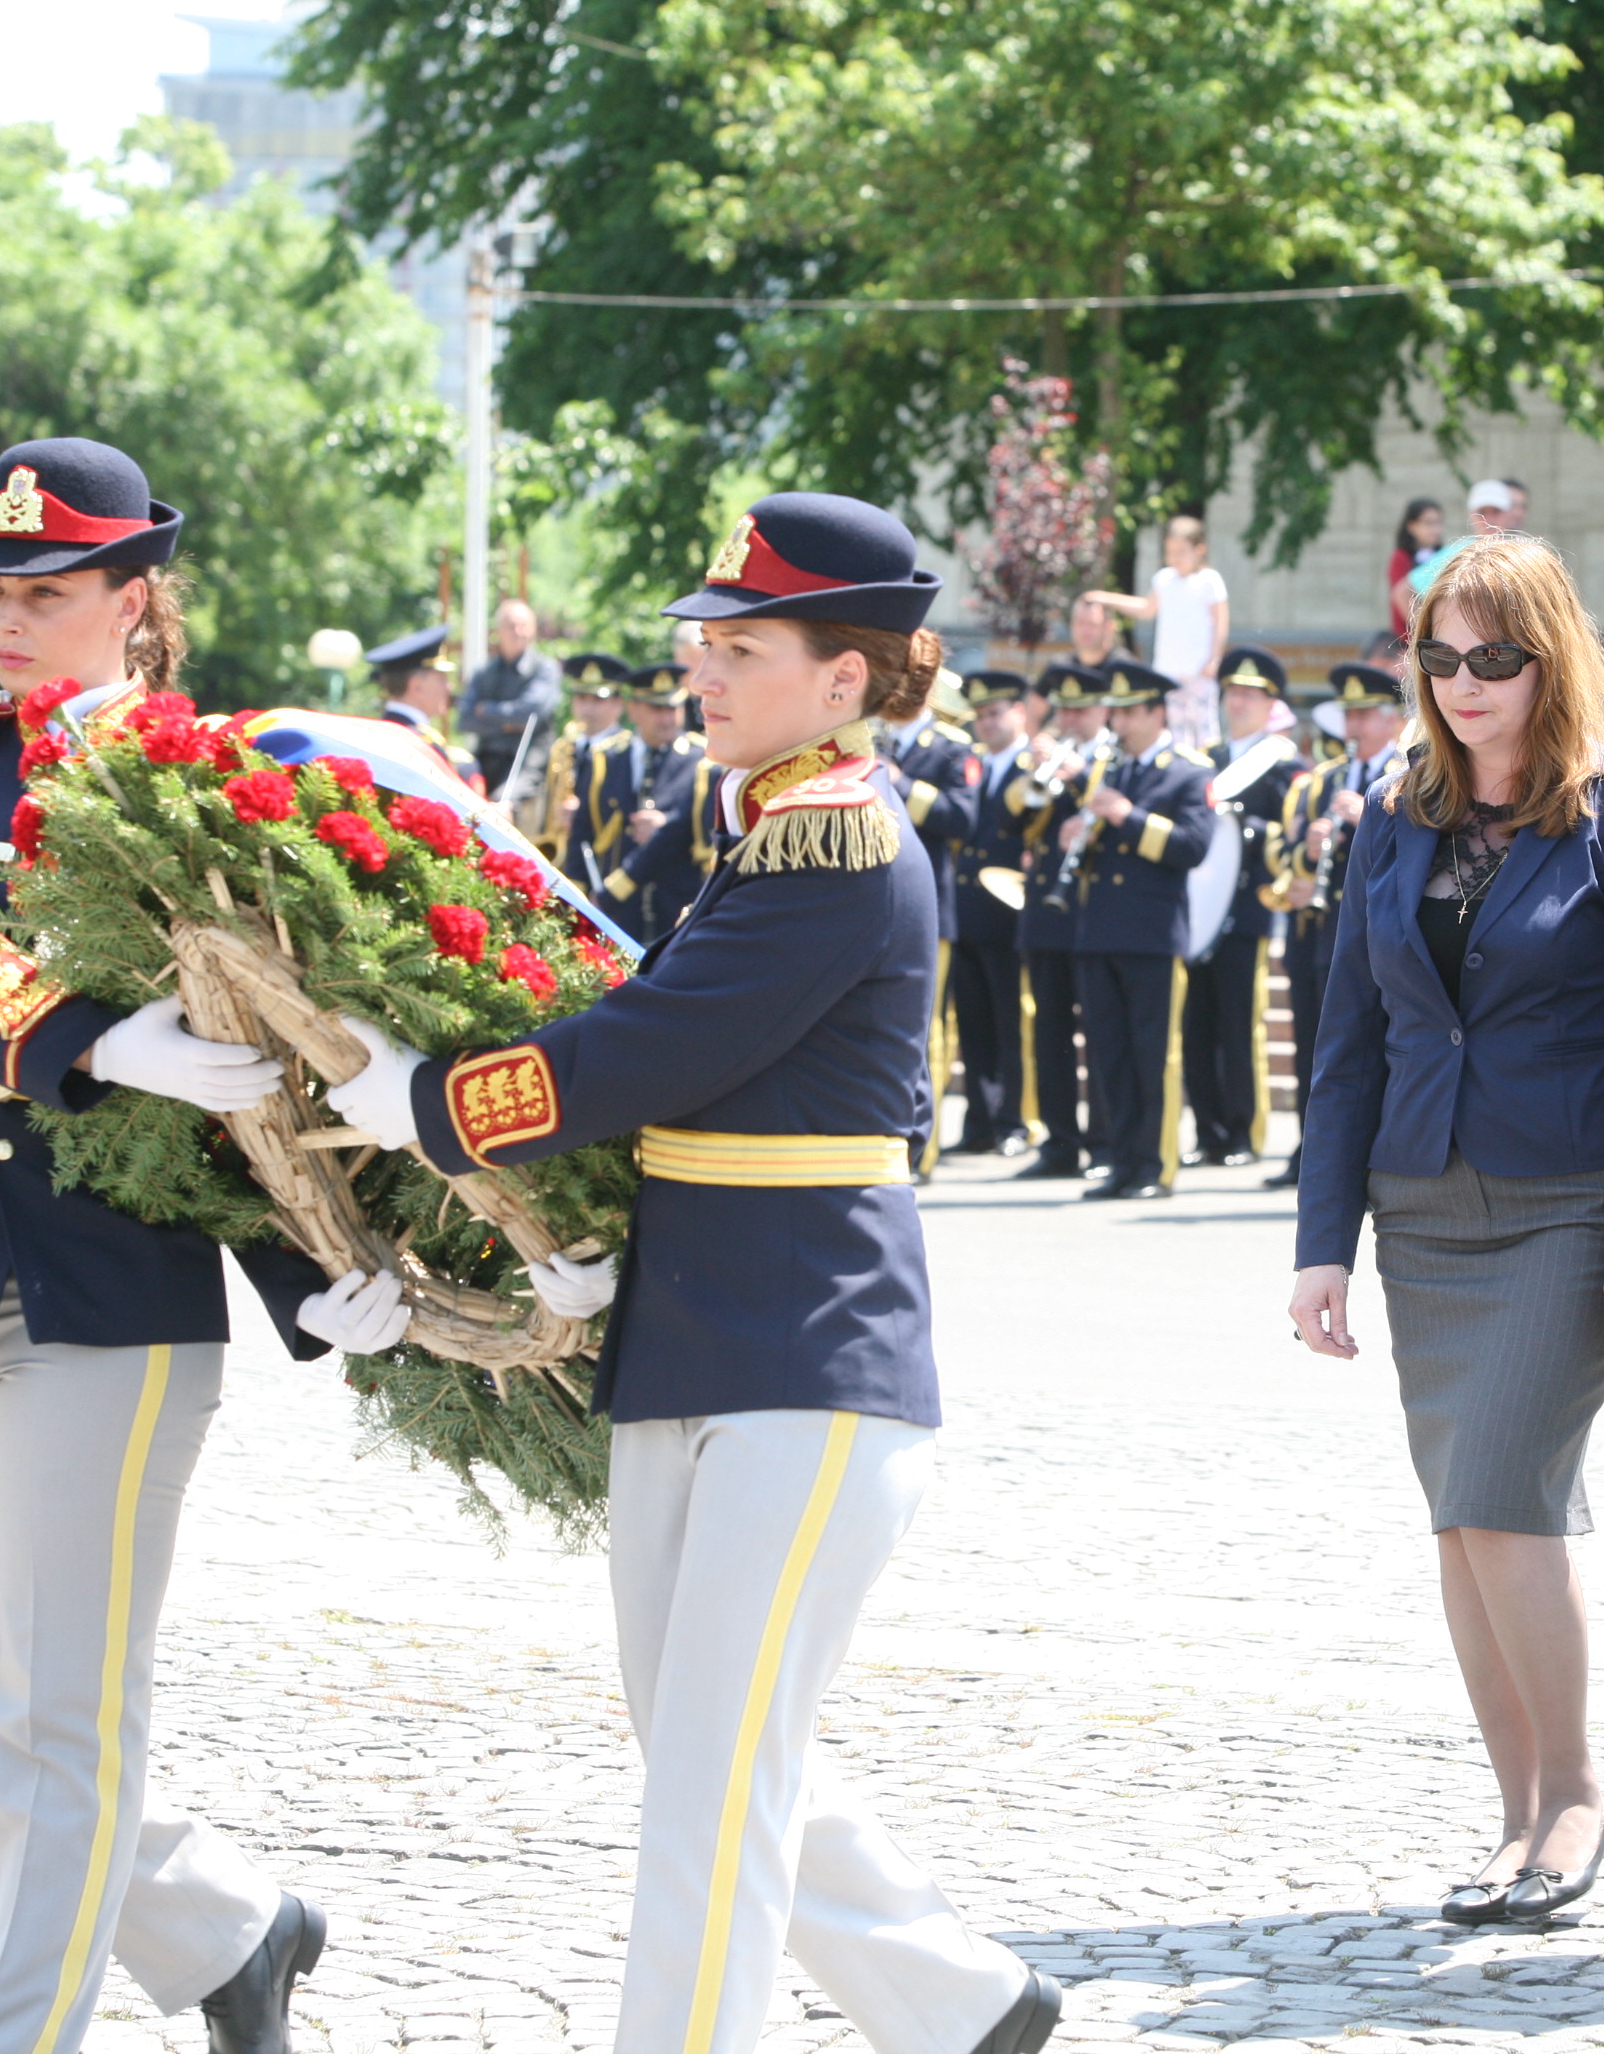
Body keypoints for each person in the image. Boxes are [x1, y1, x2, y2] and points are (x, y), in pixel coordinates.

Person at [326, 492, 1063, 2054]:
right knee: (699, 1740)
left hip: (810, 1351)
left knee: (714, 1776)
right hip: (709, 1334)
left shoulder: (838, 839)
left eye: (743, 647)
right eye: (703, 646)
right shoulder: (757, 825)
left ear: (846, 678)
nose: (702, 674)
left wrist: (435, 1104)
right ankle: (964, 2004)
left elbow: (656, 1046)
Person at [0, 437, 393, 2054]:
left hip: (118, 1295)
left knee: (57, 1720)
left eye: (48, 593)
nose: (6, 623)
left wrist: (319, 1281)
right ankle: (227, 1927)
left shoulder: (213, 793)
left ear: (133, 601)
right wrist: (94, 1035)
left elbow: (268, 1065)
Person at [1287, 535, 1604, 1929]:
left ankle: (1577, 1793)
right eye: (1441, 658)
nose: (1464, 684)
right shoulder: (1393, 810)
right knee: (1462, 1519)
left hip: (1572, 1210)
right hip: (1424, 1214)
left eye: (1494, 658)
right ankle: (1517, 1815)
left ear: (1551, 658)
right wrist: (1320, 1240)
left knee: (1506, 1497)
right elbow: (1353, 1039)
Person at [1052, 657, 1218, 1198]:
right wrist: (1079, 829)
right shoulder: (1111, 769)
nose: (1116, 723)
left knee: (1153, 1056)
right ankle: (1121, 1162)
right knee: (1109, 1054)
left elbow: (1192, 847)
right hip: (1098, 931)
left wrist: (1129, 818)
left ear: (1153, 712)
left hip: (1151, 935)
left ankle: (1155, 1166)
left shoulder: (1190, 771)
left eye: (1126, 713)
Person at [1268, 661, 1409, 1191]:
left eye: (1365, 714)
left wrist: (1363, 819)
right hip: (1317, 928)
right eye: (1349, 714)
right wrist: (1305, 855)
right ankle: (1311, 1146)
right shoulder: (1321, 779)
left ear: (1392, 718)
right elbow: (1283, 852)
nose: (1353, 725)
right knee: (1313, 1041)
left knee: (1367, 1041)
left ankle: (1367, 1148)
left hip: (1374, 930)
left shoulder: (1407, 772)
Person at [1187, 648, 1303, 1167]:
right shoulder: (1206, 760)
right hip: (1200, 909)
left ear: (1270, 703)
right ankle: (1208, 1130)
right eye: (1233, 693)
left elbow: (1288, 829)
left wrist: (1250, 831)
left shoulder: (1284, 764)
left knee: (1239, 1024)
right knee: (1197, 1026)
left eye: (1251, 695)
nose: (1239, 703)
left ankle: (1244, 1131)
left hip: (1247, 907)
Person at [1013, 663, 1114, 1180]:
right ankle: (1058, 1142)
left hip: (1091, 912)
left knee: (1099, 1033)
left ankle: (1101, 1143)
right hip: (1044, 914)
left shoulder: (1110, 757)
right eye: (1065, 708)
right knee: (1048, 1032)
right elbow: (1011, 819)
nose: (1071, 718)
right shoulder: (1045, 754)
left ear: (1102, 709)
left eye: (1081, 708)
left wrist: (1076, 782)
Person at [884, 668, 982, 1177]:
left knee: (928, 1031)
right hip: (873, 901)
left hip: (930, 908)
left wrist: (898, 783)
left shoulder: (950, 747)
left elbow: (961, 817)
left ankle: (926, 1145)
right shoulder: (866, 734)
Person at [946, 668, 1035, 1155]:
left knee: (1012, 1022)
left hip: (1012, 913)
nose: (987, 723)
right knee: (973, 1023)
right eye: (979, 715)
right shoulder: (971, 764)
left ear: (1019, 713)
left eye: (996, 713)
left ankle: (1016, 1121)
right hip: (969, 910)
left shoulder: (1033, 764)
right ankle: (980, 1121)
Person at [1085, 517, 1230, 748]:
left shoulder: (1209, 581)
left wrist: (1214, 659)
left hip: (1198, 669)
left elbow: (1220, 621)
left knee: (1204, 728)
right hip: (1169, 669)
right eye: (1170, 551)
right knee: (1176, 728)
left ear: (1199, 550)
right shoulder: (1164, 579)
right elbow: (1146, 608)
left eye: (1181, 551)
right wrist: (1106, 598)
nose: (1174, 558)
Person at [605, 662, 717, 942]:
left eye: (673, 708)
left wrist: (666, 825)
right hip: (620, 912)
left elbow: (688, 829)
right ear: (633, 709)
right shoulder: (608, 756)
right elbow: (586, 829)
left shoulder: (702, 758)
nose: (667, 718)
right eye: (657, 709)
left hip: (676, 908)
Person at [544, 652, 642, 896]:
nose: (588, 708)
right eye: (581, 698)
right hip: (565, 857)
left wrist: (582, 812)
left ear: (618, 704)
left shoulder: (626, 751)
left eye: (598, 699)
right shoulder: (566, 746)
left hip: (604, 862)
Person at [458, 596, 564, 803]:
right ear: (498, 631)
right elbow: (464, 719)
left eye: (523, 626)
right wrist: (508, 725)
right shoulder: (484, 673)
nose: (518, 632)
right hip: (487, 757)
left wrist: (487, 711)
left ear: (533, 630)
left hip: (529, 760)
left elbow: (531, 714)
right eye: (511, 626)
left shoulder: (545, 669)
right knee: (458, 794)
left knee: (502, 803)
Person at [367, 626, 487, 793]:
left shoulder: (371, 735)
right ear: (416, 687)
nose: (449, 686)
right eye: (442, 678)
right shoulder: (425, 745)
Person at [1406, 479, 1528, 606]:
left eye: (1496, 511)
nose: (1488, 519)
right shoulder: (1458, 551)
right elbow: (1405, 590)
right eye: (1482, 512)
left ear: (1508, 513)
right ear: (1471, 514)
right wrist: (1428, 624)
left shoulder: (1525, 553)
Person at [1387, 495, 1446, 639]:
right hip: (1410, 637)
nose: (1436, 529)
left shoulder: (1444, 556)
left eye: (1439, 523)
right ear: (1412, 526)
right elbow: (1401, 597)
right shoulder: (1401, 558)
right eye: (1429, 523)